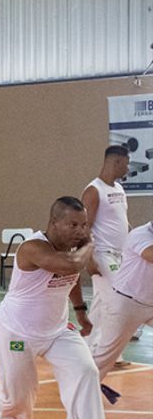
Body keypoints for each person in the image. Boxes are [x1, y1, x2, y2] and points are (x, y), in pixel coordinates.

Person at [0, 197, 129, 419]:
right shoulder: (33, 247)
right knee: (19, 393)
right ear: (54, 222)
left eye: (84, 225)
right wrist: (91, 243)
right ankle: (1, 414)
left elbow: (71, 278)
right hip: (17, 330)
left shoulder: (71, 249)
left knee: (86, 372)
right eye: (73, 225)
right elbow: (69, 266)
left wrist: (79, 311)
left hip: (56, 330)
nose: (80, 231)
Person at [81, 145, 132, 364]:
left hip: (120, 255)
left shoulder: (119, 189)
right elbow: (84, 227)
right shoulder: (94, 190)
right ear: (117, 162)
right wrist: (88, 257)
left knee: (103, 303)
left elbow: (123, 222)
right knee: (119, 300)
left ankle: (87, 350)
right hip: (102, 254)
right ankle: (107, 352)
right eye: (126, 163)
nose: (128, 168)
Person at [89, 221, 152, 388]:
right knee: (105, 357)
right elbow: (150, 255)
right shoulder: (141, 234)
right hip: (126, 303)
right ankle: (80, 389)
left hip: (150, 304)